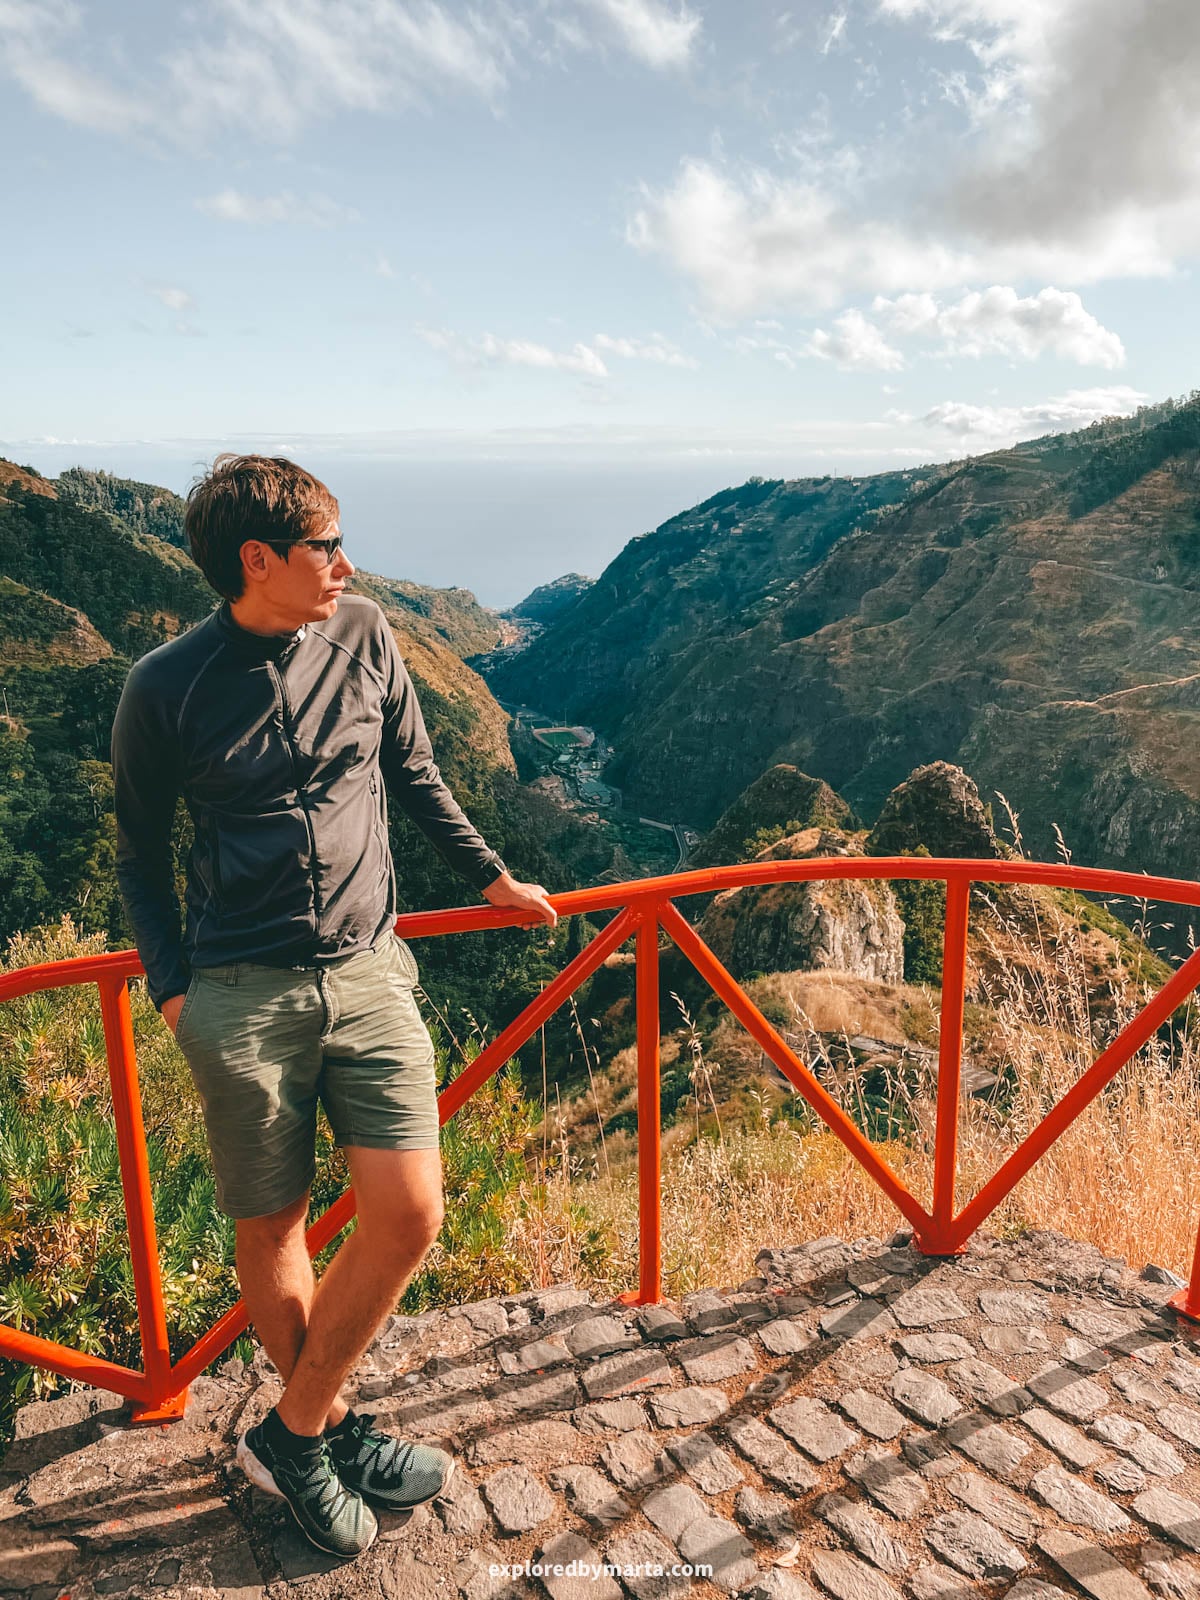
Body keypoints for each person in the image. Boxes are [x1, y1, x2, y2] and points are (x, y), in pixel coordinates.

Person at [110, 454, 556, 1559]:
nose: (347, 565)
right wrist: (174, 989)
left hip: (368, 971)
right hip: (239, 993)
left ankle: (292, 1428)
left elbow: (415, 770)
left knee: (408, 1212)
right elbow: (139, 851)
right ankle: (330, 1432)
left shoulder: (363, 634)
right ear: (258, 559)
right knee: (274, 1225)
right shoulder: (162, 687)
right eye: (327, 547)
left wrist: (493, 878)